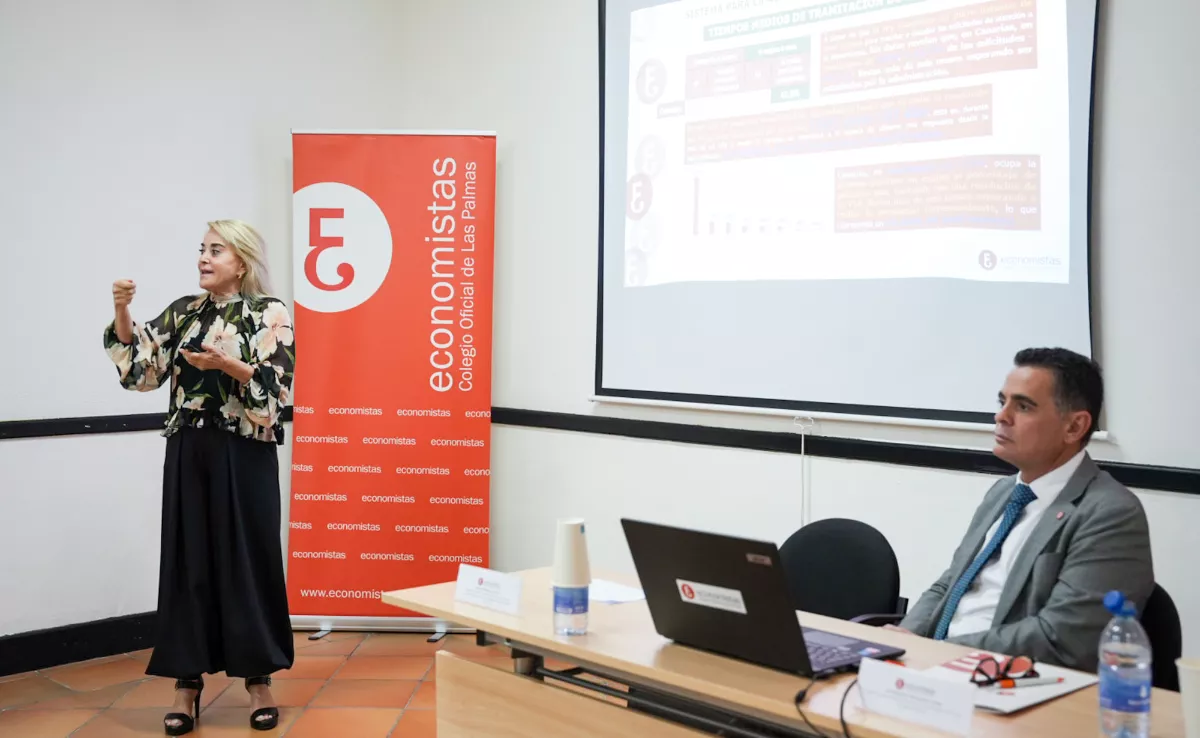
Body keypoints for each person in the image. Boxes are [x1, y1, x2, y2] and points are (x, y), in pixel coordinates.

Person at [104, 220, 296, 735]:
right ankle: (185, 685)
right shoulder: (185, 312)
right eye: (202, 250)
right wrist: (123, 310)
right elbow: (141, 371)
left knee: (248, 560)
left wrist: (228, 367)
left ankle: (259, 680)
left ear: (242, 261)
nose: (203, 259)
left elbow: (277, 392)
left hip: (246, 451)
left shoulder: (270, 313)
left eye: (216, 250)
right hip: (190, 448)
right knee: (189, 561)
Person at [894, 348, 1154, 672]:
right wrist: (906, 636)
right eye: (1002, 402)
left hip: (1009, 682)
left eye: (1023, 406)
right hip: (940, 667)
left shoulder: (1109, 513)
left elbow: (1064, 638)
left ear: (1074, 427)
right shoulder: (1005, 492)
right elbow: (952, 582)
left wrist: (940, 652)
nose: (1001, 416)